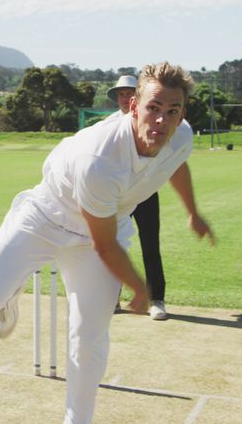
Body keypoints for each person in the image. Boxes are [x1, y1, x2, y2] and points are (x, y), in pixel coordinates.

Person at [0, 63, 216, 423]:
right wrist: (139, 288)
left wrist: (193, 212)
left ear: (182, 114)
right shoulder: (98, 160)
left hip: (99, 233)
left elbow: (175, 164)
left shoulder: (181, 135)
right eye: (153, 108)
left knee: (89, 336)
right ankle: (8, 293)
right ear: (133, 106)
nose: (161, 120)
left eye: (172, 111)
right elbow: (106, 246)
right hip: (45, 217)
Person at [105, 75, 168, 320]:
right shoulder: (108, 124)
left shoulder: (152, 122)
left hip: (146, 192)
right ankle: (113, 297)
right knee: (115, 244)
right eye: (120, 93)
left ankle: (156, 300)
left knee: (150, 245)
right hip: (118, 195)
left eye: (129, 93)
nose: (124, 98)